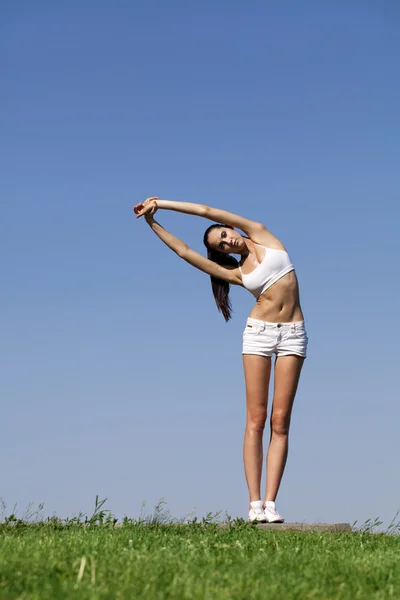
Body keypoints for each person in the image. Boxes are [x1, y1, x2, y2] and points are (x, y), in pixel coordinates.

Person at [133, 197, 308, 523]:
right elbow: (185, 252)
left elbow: (206, 211)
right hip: (258, 334)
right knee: (256, 420)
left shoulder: (262, 234)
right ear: (223, 254)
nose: (228, 241)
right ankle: (254, 504)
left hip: (294, 334)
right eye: (222, 245)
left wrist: (161, 204)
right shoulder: (238, 273)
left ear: (231, 229)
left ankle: (271, 503)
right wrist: (151, 223)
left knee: (280, 422)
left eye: (225, 235)